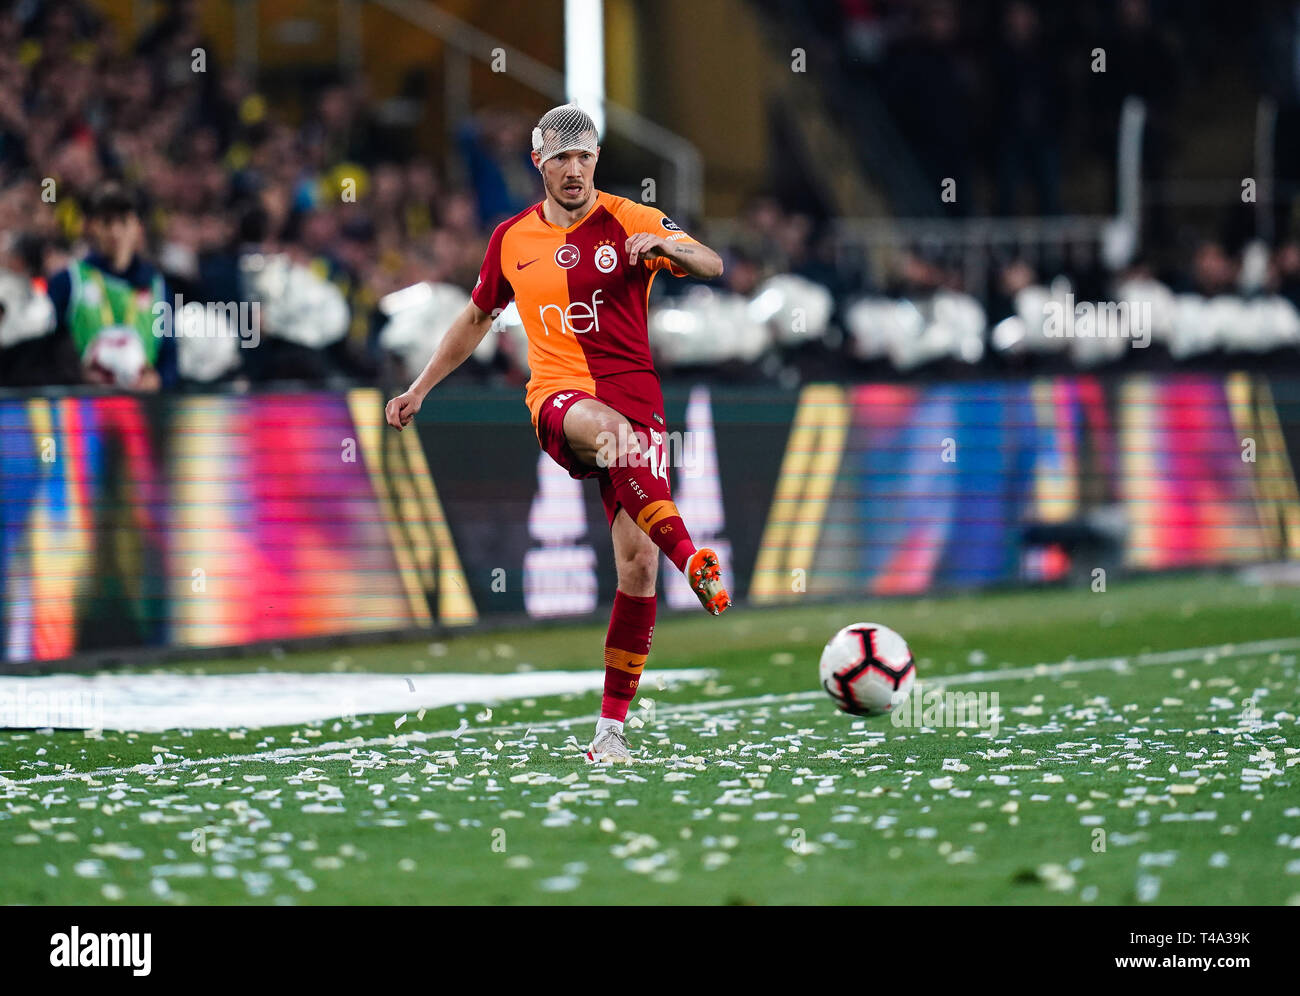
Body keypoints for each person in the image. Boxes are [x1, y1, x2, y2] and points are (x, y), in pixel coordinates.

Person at [385, 104, 729, 763]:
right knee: (608, 437)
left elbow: (710, 263)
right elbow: (476, 318)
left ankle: (609, 734)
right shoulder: (512, 238)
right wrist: (420, 387)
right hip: (561, 400)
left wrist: (669, 247)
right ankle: (695, 556)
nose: (574, 169)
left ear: (596, 160)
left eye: (585, 156)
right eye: (561, 158)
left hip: (639, 401)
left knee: (636, 566)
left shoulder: (632, 219)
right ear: (538, 163)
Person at [46, 182, 176, 389]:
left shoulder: (158, 287)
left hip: (143, 410)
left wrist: (157, 380)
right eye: (107, 223)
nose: (115, 232)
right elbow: (47, 348)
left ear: (138, 228)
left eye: (123, 222)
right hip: (84, 406)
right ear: (93, 227)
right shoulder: (69, 281)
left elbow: (170, 356)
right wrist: (75, 375)